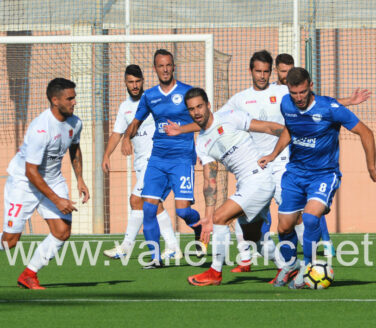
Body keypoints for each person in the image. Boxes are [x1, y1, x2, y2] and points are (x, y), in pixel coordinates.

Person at [258, 67, 376, 289]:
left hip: (324, 174)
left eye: (302, 92)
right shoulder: (286, 104)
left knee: (311, 219)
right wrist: (273, 155)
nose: (299, 98)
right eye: (294, 93)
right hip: (295, 173)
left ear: (310, 86)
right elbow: (289, 130)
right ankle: (290, 264)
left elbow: (366, 132)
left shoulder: (330, 108)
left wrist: (371, 166)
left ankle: (308, 267)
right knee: (284, 227)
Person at [180, 88, 285, 286]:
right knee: (252, 236)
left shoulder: (228, 116)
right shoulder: (202, 142)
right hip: (246, 184)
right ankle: (287, 267)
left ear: (208, 105)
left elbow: (268, 128)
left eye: (200, 106)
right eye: (192, 109)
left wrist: (292, 134)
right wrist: (208, 216)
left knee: (222, 218)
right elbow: (209, 181)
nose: (197, 112)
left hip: (259, 178)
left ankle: (215, 273)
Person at [0, 78, 90, 289]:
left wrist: (80, 179)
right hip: (24, 182)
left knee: (62, 231)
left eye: (74, 97)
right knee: (10, 242)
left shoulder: (75, 123)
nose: (74, 102)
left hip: (52, 178)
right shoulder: (40, 128)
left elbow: (74, 149)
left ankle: (29, 274)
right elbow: (31, 172)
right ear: (54, 100)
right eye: (69, 98)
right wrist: (57, 200)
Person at [121, 49, 203, 268]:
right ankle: (155, 256)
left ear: (173, 66)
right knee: (148, 207)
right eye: (160, 66)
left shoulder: (187, 92)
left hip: (182, 159)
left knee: (183, 211)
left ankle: (198, 227)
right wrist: (126, 139)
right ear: (155, 68)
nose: (165, 69)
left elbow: (204, 122)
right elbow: (136, 121)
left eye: (168, 65)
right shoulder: (149, 96)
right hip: (157, 159)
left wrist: (182, 130)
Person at [102, 65, 182, 261]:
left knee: (138, 200)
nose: (135, 85)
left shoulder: (154, 100)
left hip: (156, 160)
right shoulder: (124, 107)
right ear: (125, 83)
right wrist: (106, 155)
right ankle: (172, 247)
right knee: (151, 202)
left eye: (138, 81)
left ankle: (127, 247)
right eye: (131, 82)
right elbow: (117, 133)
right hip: (141, 163)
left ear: (143, 81)